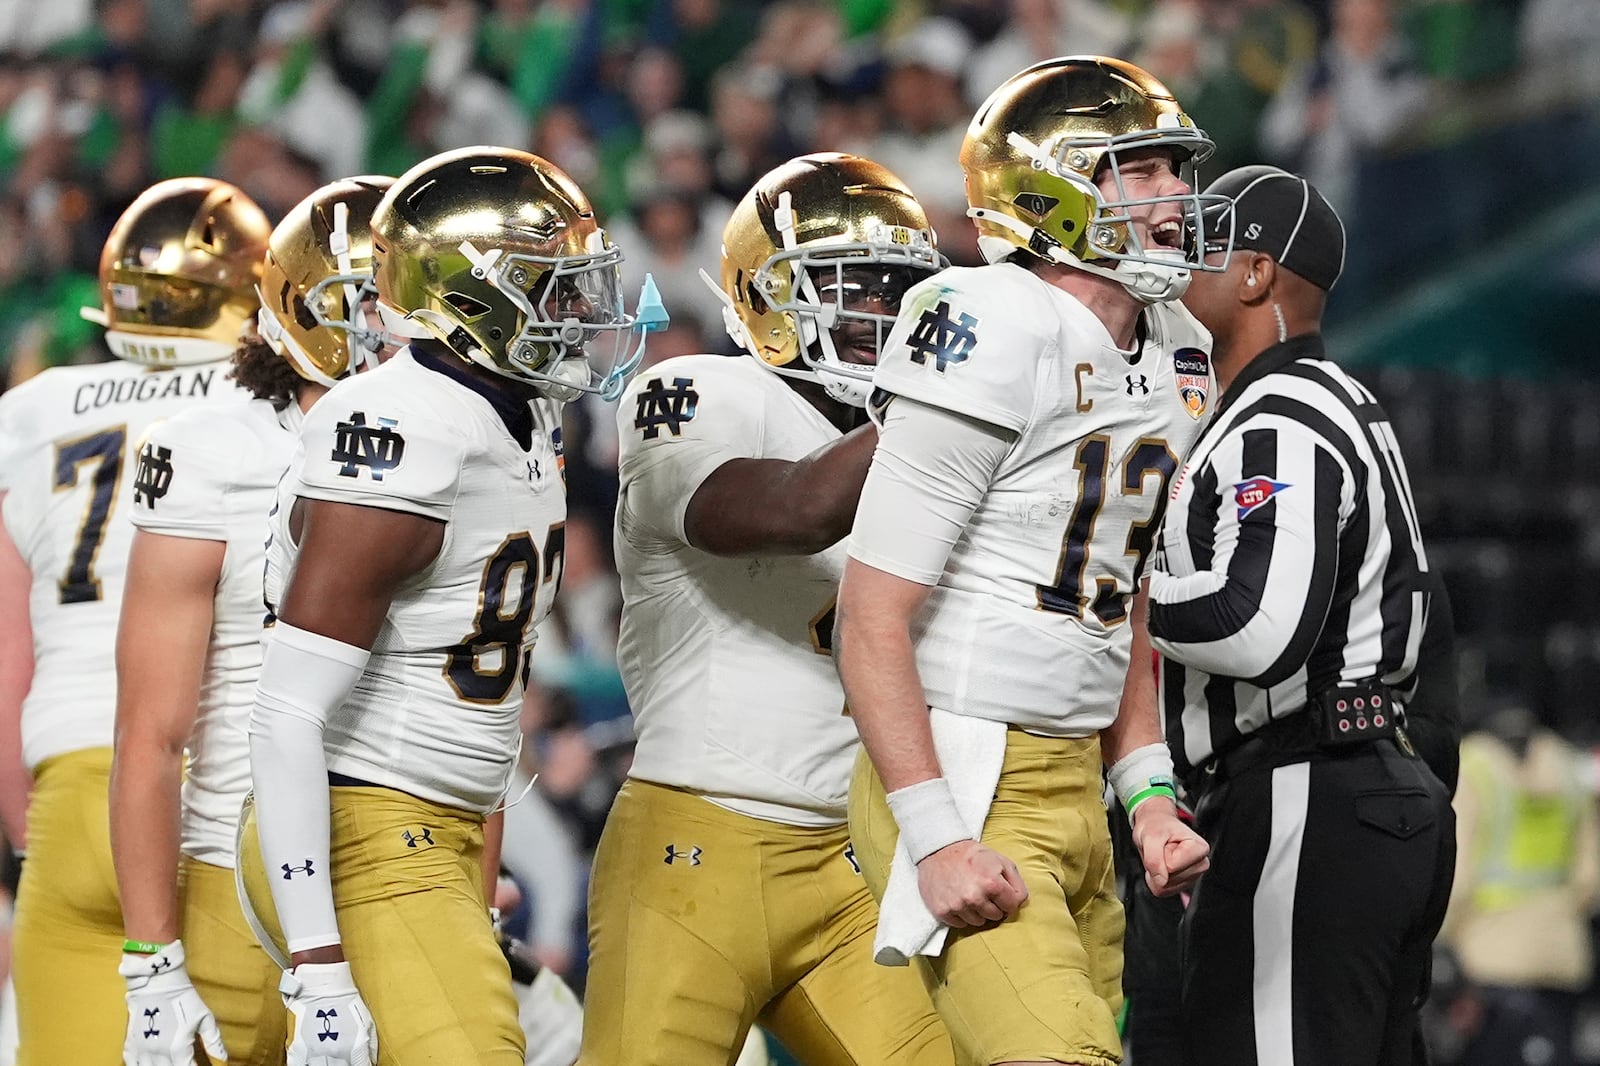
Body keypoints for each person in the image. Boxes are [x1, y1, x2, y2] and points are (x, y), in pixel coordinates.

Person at [835, 57, 1218, 1066]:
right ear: (1051, 188)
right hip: (964, 766)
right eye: (1140, 170)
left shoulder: (1174, 344)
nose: (1174, 194)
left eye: (1175, 169)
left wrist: (1146, 797)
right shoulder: (994, 320)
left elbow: (1122, 597)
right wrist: (935, 832)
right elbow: (870, 613)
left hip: (1076, 788)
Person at [235, 145, 650, 1066]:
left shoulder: (519, 415)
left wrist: (480, 864)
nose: (580, 311)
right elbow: (287, 709)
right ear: (470, 298)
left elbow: (485, 702)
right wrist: (317, 967)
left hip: (441, 828)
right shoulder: (400, 423)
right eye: (553, 286)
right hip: (362, 823)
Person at [583, 152, 951, 1066]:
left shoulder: (919, 438)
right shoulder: (702, 390)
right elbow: (787, 511)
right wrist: (939, 402)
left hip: (854, 855)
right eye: (853, 287)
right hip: (697, 840)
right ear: (769, 297)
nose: (883, 314)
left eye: (900, 292)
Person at [1148, 164, 1455, 1066]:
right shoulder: (1336, 400)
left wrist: (1124, 601)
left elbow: (1258, 627)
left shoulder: (1278, 416)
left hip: (1304, 788)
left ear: (1254, 275)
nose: (1175, 264)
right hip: (1369, 784)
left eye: (1201, 245)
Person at [108, 175, 396, 1066]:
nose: (399, 332)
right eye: (375, 307)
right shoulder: (212, 449)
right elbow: (150, 735)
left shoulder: (477, 437)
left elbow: (486, 703)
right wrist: (152, 963)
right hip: (235, 872)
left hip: (399, 868)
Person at [0, 177, 269, 1066]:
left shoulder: (30, 411)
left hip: (69, 792)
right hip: (208, 796)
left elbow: (10, 646)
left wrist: (28, 827)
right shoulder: (265, 408)